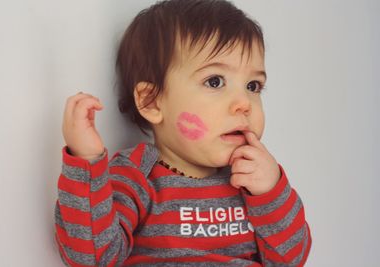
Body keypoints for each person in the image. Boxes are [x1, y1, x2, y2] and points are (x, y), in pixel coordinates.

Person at [54, 0, 312, 266]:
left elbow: (290, 260)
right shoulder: (137, 175)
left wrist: (271, 193)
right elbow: (94, 258)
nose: (244, 103)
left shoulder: (253, 178)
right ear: (152, 101)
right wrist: (86, 162)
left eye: (253, 85)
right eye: (215, 81)